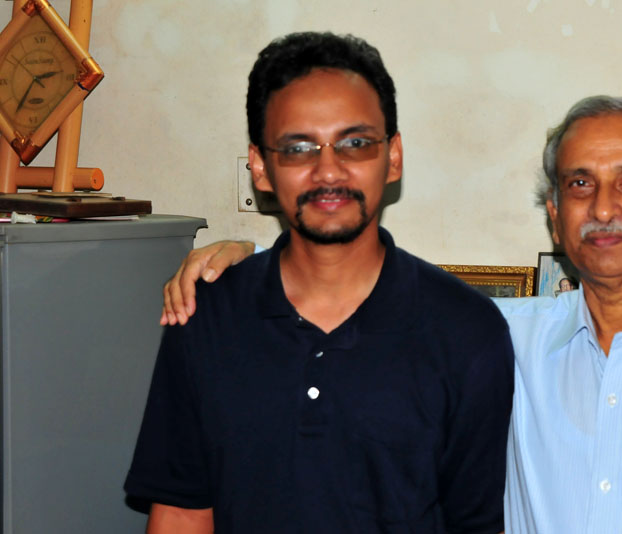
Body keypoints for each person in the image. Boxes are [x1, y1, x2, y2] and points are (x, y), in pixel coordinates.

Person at [160, 95, 622, 533]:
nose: (604, 207)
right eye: (579, 183)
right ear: (555, 214)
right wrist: (243, 261)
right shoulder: (497, 339)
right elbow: (363, 286)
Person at [126, 32, 513, 534]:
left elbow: (476, 523)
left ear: (393, 157)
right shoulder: (207, 314)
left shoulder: (468, 331)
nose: (328, 171)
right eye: (298, 148)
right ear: (261, 168)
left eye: (356, 143)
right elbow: (182, 512)